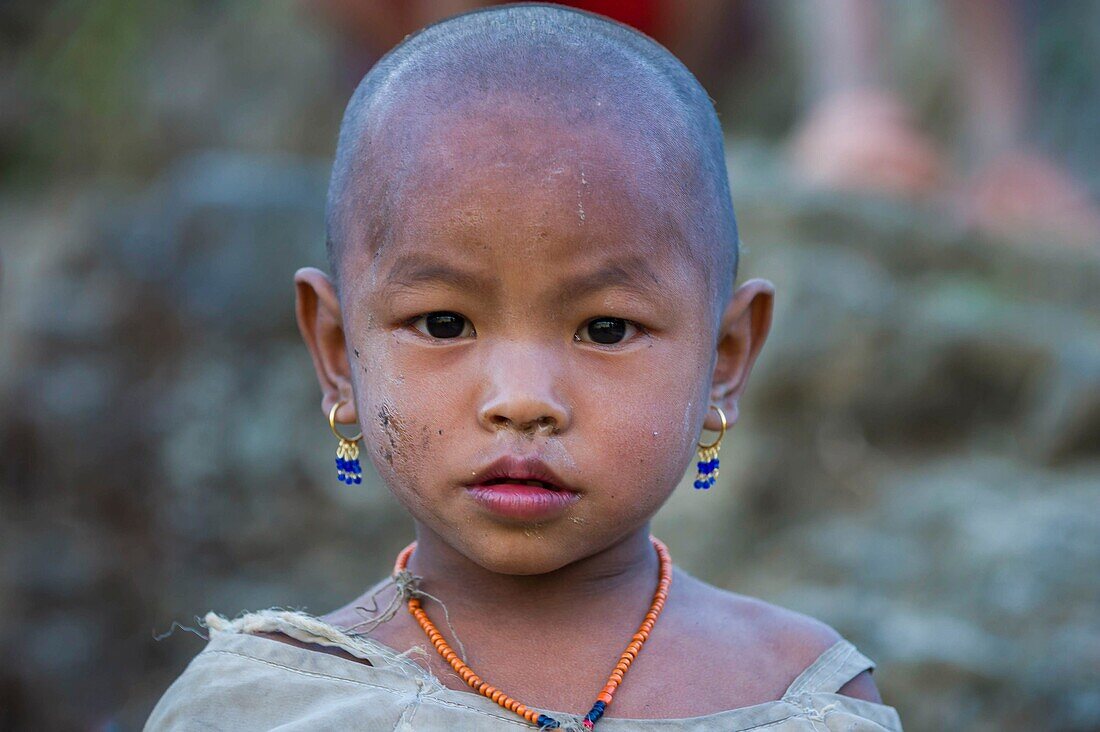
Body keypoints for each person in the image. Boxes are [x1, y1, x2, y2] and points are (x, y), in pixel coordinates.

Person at [145, 4, 902, 730]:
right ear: (338, 354)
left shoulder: (804, 698)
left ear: (725, 359)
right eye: (444, 324)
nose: (522, 401)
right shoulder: (265, 705)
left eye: (606, 329)